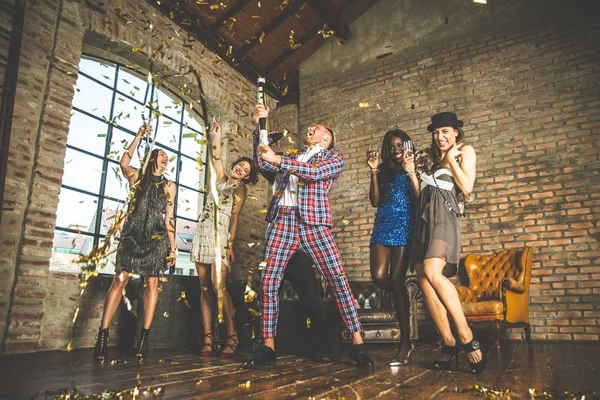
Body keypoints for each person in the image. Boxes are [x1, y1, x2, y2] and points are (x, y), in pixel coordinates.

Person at [243, 104, 374, 370]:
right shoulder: (292, 155)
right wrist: (261, 127)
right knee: (268, 283)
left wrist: (278, 159)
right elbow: (262, 162)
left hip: (314, 224)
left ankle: (358, 345)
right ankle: (268, 348)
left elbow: (312, 174)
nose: (311, 127)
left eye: (318, 127)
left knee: (338, 280)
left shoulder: (333, 159)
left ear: (326, 139)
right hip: (282, 221)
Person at [93, 123, 176, 362]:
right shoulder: (137, 177)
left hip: (156, 239)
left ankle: (144, 338)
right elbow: (123, 163)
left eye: (167, 158)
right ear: (152, 159)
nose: (166, 159)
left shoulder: (170, 186)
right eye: (162, 155)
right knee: (119, 281)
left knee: (151, 285)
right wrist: (139, 135)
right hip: (131, 236)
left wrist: (172, 248)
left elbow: (169, 218)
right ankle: (102, 337)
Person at [410, 112, 486, 374]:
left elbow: (466, 188)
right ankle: (448, 343)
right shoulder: (428, 157)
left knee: (433, 271)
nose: (440, 137)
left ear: (455, 132)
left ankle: (465, 335)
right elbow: (423, 195)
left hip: (444, 217)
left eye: (445, 131)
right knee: (423, 279)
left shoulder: (466, 151)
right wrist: (411, 175)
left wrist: (452, 160)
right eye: (435, 132)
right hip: (424, 219)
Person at [190, 120, 258, 359]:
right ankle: (208, 338)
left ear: (248, 177)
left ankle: (232, 336)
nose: (241, 169)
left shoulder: (240, 189)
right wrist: (215, 135)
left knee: (220, 286)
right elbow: (216, 158)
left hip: (220, 237)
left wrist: (229, 245)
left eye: (246, 171)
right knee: (204, 285)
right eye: (241, 165)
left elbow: (234, 219)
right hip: (203, 232)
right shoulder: (221, 178)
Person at [366, 129, 419, 366]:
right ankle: (402, 294)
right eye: (392, 147)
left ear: (406, 145)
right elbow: (375, 201)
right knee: (379, 277)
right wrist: (374, 170)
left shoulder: (415, 166)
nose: (397, 151)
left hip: (405, 227)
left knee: (397, 278)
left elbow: (421, 198)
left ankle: (405, 343)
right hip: (383, 226)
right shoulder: (384, 171)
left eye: (400, 145)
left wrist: (412, 171)